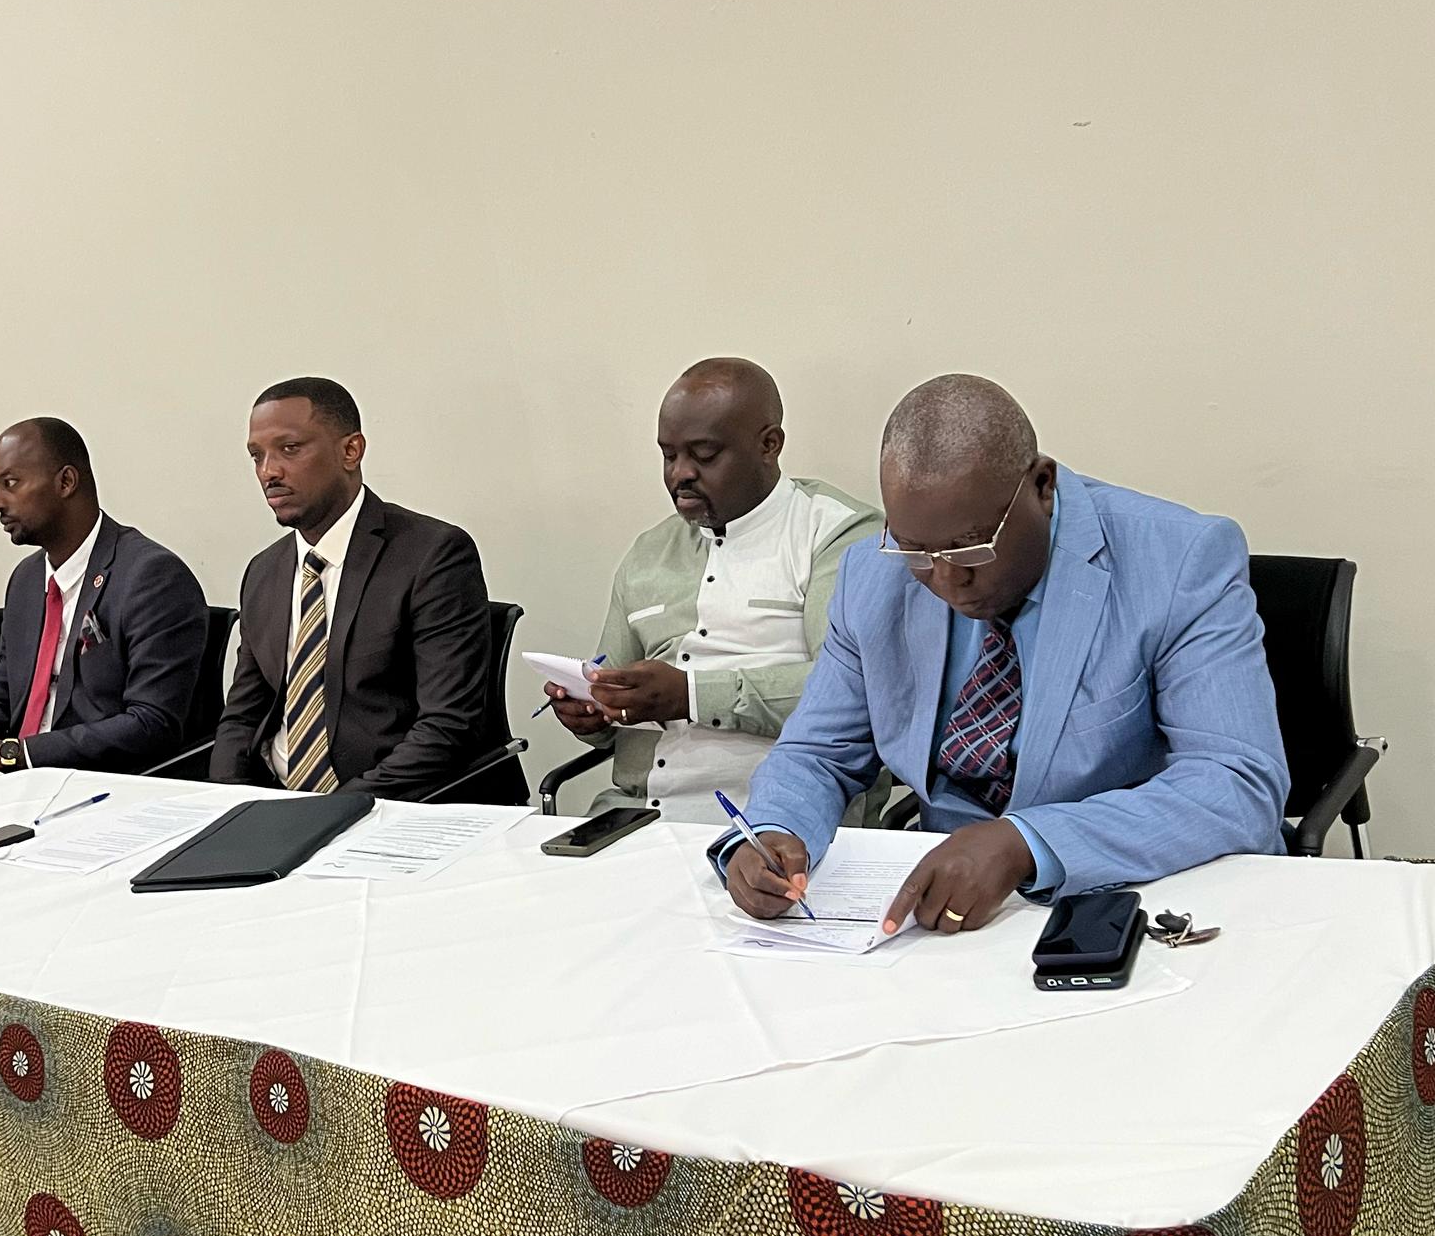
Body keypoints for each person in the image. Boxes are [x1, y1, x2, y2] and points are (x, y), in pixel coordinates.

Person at [722, 373, 1287, 936]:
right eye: (917, 551)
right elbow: (819, 752)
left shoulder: (1178, 560)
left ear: (1042, 486)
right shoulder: (872, 575)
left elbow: (1237, 782)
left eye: (971, 547)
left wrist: (1028, 843)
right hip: (942, 913)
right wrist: (775, 830)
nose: (946, 579)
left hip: (1128, 898)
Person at [545, 358, 878, 819]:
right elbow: (609, 691)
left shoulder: (838, 535)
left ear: (769, 444)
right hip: (638, 817)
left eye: (703, 455)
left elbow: (850, 694)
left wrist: (692, 694)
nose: (680, 473)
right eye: (668, 455)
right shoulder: (649, 552)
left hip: (779, 821)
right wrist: (591, 713)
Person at [211, 377, 499, 797]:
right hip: (276, 800)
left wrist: (331, 813)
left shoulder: (432, 555)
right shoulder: (264, 571)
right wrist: (229, 797)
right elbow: (242, 716)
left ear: (351, 451)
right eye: (257, 456)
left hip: (391, 801)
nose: (268, 471)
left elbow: (447, 726)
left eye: (290, 449)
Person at [0, 418, 208, 775]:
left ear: (66, 482)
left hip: (102, 783)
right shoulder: (25, 580)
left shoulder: (151, 576)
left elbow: (152, 723)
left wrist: (12, 753)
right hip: (17, 780)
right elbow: (4, 696)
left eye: (10, 483)